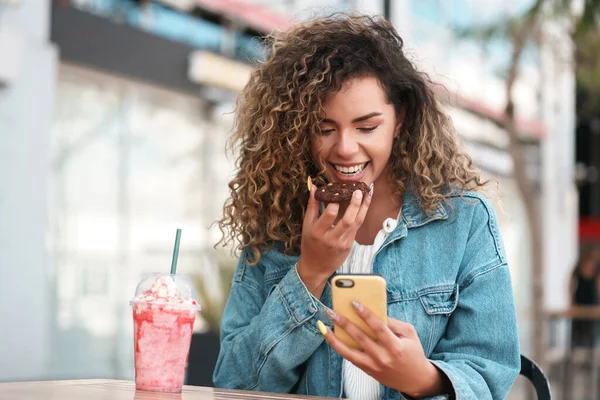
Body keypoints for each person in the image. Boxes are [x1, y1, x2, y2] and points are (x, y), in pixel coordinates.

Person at [213, 13, 520, 400]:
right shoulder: (275, 226)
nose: (344, 147)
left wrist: (421, 379)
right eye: (324, 129)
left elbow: (491, 374)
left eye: (367, 127)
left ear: (400, 119)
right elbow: (234, 385)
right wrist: (310, 271)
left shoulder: (463, 221)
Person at [569, 246, 600, 347]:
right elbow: (571, 284)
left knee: (591, 333)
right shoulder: (578, 268)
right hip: (580, 303)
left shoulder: (596, 270)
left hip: (591, 304)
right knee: (577, 333)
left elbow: (598, 287)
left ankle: (589, 355)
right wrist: (571, 300)